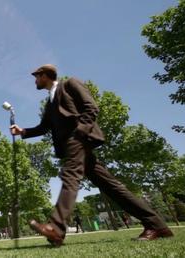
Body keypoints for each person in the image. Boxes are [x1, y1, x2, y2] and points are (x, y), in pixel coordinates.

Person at [10, 64, 173, 247]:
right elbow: (44, 127)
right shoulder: (50, 101)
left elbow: (91, 107)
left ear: (45, 75)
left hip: (78, 139)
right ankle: (157, 225)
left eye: (36, 77)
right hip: (70, 144)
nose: (35, 81)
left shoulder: (70, 84)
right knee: (111, 186)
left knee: (70, 175)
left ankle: (56, 228)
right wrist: (23, 131)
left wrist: (80, 132)